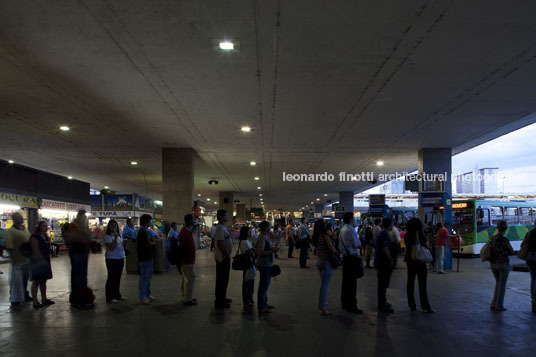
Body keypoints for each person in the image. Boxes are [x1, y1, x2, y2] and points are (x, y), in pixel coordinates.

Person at [404, 218, 433, 313]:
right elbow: (427, 245)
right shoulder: (419, 234)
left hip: (410, 259)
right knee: (422, 284)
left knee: (410, 282)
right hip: (419, 261)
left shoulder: (407, 234)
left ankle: (412, 305)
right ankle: (425, 305)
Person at [66, 210, 93, 307]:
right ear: (79, 216)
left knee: (83, 274)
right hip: (76, 252)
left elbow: (88, 238)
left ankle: (83, 296)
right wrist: (84, 238)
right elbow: (72, 238)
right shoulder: (73, 226)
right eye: (83, 216)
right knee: (77, 274)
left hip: (83, 252)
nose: (85, 218)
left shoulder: (84, 227)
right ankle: (76, 297)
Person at [5, 212, 32, 305]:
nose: (22, 219)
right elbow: (9, 246)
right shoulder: (11, 231)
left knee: (25, 279)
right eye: (19, 217)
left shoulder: (25, 229)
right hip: (18, 259)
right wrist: (14, 258)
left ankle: (24, 294)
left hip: (27, 258)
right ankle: (15, 297)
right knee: (16, 280)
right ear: (15, 219)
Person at [339, 212, 363, 314]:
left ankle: (345, 303)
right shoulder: (350, 230)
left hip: (345, 258)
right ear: (350, 219)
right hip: (351, 259)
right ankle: (352, 305)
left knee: (346, 282)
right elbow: (358, 244)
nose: (354, 220)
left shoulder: (342, 229)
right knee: (352, 283)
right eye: (353, 219)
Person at [489, 220, 514, 312]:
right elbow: (511, 251)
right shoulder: (504, 240)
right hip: (503, 264)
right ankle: (499, 305)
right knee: (502, 285)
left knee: (498, 283)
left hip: (493, 264)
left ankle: (493, 303)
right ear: (505, 229)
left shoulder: (492, 238)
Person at [313, 219, 337, 315]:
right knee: (324, 286)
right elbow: (332, 249)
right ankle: (322, 305)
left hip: (319, 261)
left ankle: (324, 302)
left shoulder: (315, 237)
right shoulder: (324, 236)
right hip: (326, 262)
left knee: (323, 284)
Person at [30, 221, 54, 309]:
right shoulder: (35, 237)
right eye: (43, 226)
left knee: (43, 280)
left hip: (45, 260)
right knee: (36, 281)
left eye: (46, 226)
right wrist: (41, 260)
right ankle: (35, 301)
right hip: (37, 261)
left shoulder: (45, 236)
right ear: (39, 227)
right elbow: (35, 249)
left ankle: (44, 299)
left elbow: (47, 247)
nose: (45, 227)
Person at [256, 221, 278, 313]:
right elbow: (260, 252)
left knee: (265, 285)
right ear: (265, 228)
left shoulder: (265, 237)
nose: (270, 228)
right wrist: (272, 251)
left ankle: (264, 303)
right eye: (269, 226)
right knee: (263, 285)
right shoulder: (262, 238)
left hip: (267, 263)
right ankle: (261, 306)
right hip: (264, 264)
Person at [214, 209, 233, 309]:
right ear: (221, 217)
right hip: (222, 258)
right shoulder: (220, 228)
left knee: (224, 279)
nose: (228, 216)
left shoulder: (223, 227)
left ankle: (223, 297)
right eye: (226, 215)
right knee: (221, 279)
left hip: (225, 257)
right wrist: (225, 255)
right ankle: (219, 301)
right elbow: (219, 243)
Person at [104, 219, 126, 304]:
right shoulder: (108, 236)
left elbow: (120, 246)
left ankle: (117, 294)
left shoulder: (119, 235)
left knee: (118, 277)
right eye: (112, 225)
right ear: (109, 226)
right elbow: (111, 247)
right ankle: (109, 297)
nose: (113, 227)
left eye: (115, 225)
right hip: (111, 259)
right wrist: (116, 237)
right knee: (111, 277)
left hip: (120, 258)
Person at [376, 218, 395, 313]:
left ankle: (382, 302)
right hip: (383, 263)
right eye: (392, 224)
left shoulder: (382, 233)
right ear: (389, 224)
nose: (393, 226)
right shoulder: (385, 234)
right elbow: (385, 247)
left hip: (381, 262)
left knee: (382, 284)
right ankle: (382, 304)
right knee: (383, 284)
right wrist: (390, 259)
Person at [137, 214, 156, 305]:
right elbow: (148, 243)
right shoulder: (142, 232)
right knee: (144, 278)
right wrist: (152, 243)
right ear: (146, 222)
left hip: (149, 257)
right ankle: (142, 297)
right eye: (150, 220)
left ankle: (148, 294)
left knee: (148, 278)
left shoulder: (147, 231)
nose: (151, 222)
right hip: (144, 258)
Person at [179, 214, 197, 306]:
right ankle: (187, 299)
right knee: (191, 278)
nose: (195, 220)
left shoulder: (187, 230)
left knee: (188, 278)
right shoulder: (184, 231)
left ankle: (188, 297)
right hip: (187, 260)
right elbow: (182, 246)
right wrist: (188, 256)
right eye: (194, 218)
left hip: (189, 259)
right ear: (190, 221)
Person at [238, 226, 256, 310]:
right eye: (249, 231)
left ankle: (248, 300)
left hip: (247, 264)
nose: (250, 233)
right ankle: (247, 301)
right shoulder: (245, 242)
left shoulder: (243, 241)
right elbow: (252, 253)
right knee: (248, 283)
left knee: (248, 283)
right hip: (248, 264)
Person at [521, 221, 536, 313]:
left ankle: (533, 302)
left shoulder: (529, 233)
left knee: (533, 278)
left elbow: (522, 245)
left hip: (530, 257)